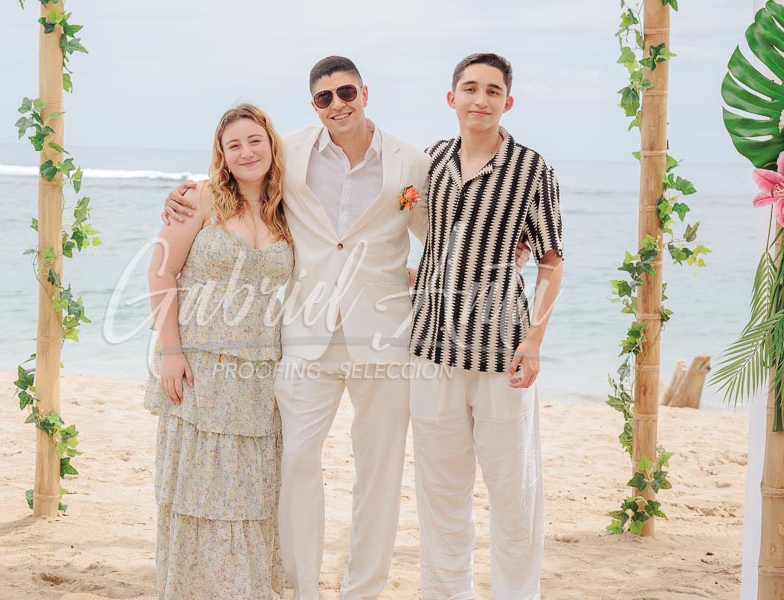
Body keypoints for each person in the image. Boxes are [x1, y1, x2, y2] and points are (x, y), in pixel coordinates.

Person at [164, 56, 431, 599]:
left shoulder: (412, 162)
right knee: (298, 461)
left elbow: (440, 237)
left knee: (378, 472)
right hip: (306, 336)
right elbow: (240, 169)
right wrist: (185, 192)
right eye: (325, 97)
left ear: (365, 92)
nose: (338, 104)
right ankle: (303, 587)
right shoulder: (290, 150)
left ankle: (362, 590)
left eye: (346, 92)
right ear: (314, 105)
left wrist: (495, 255)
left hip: (383, 335)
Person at [408, 53, 564, 600]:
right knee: (440, 495)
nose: (481, 99)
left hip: (502, 355)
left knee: (513, 493)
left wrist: (534, 341)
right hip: (430, 352)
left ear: (507, 102)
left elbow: (550, 261)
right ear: (452, 97)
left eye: (493, 91)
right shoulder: (429, 161)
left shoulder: (532, 169)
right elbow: (418, 233)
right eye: (470, 88)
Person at [144, 103, 293, 599]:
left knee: (253, 495)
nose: (247, 152)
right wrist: (171, 351)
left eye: (255, 140)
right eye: (234, 145)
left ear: (271, 144)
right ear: (222, 155)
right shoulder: (201, 198)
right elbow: (161, 271)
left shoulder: (287, 207)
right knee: (199, 492)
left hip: (260, 375)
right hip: (199, 366)